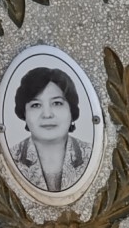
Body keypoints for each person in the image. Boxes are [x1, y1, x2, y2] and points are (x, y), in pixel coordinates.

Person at [10, 66, 91, 201]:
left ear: (71, 110)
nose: (47, 114)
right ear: (24, 113)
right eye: (36, 105)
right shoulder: (11, 158)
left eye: (57, 103)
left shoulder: (91, 155)